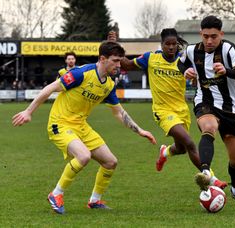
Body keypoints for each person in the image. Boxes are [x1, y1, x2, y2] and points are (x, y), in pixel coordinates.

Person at [12, 41, 157, 214]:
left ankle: (95, 201)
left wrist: (140, 130)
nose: (119, 65)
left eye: (120, 61)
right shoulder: (81, 73)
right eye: (116, 61)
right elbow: (50, 88)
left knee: (110, 162)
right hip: (60, 123)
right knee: (83, 156)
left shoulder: (109, 84)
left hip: (81, 126)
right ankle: (56, 194)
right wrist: (29, 112)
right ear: (103, 59)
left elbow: (119, 113)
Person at [120, 28, 227, 189]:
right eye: (167, 44)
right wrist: (115, 47)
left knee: (182, 148)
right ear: (161, 45)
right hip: (163, 111)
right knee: (190, 143)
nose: (171, 47)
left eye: (174, 44)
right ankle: (212, 179)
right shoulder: (151, 58)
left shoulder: (184, 61)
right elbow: (127, 65)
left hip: (182, 110)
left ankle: (165, 152)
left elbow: (199, 77)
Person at [178, 15, 235, 206]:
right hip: (205, 100)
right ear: (200, 34)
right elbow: (181, 62)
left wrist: (226, 70)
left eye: (213, 36)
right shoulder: (191, 50)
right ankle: (205, 173)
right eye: (205, 36)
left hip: (230, 107)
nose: (209, 40)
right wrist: (185, 71)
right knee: (208, 126)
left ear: (221, 34)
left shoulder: (228, 48)